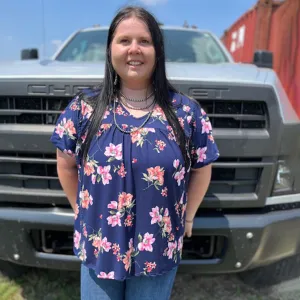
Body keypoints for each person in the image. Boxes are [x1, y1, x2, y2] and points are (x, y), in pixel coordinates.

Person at [50, 5, 219, 300]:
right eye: (124, 41)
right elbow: (65, 164)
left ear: (157, 50)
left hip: (159, 249)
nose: (134, 49)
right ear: (110, 49)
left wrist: (188, 218)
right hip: (99, 245)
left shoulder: (186, 113)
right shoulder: (82, 108)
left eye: (144, 41)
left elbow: (202, 167)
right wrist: (80, 211)